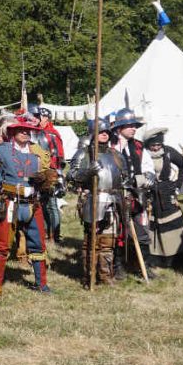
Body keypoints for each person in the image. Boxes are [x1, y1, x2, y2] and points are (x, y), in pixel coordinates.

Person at [0, 116, 57, 296]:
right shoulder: (0, 151)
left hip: (33, 204)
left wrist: (46, 180)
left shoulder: (38, 152)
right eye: (21, 130)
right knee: (2, 245)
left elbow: (49, 174)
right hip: (10, 203)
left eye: (28, 130)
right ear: (12, 132)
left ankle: (41, 284)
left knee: (38, 244)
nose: (26, 133)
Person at [70, 118, 125, 287]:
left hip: (113, 201)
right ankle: (89, 276)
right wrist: (87, 172)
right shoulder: (84, 153)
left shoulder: (116, 155)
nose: (104, 135)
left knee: (108, 242)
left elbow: (124, 178)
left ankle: (106, 275)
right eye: (100, 132)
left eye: (106, 132)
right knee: (91, 242)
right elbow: (71, 176)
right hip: (93, 199)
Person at [110, 107, 157, 279]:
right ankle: (118, 266)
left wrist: (149, 176)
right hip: (115, 195)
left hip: (137, 195)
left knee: (142, 232)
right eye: (130, 125)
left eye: (135, 126)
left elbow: (147, 167)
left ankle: (143, 266)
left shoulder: (138, 146)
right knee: (117, 231)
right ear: (120, 127)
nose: (134, 128)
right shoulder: (110, 145)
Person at [143, 127, 183, 266]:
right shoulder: (143, 155)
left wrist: (177, 184)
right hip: (150, 194)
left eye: (158, 144)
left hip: (167, 193)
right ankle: (157, 257)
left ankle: (177, 255)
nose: (156, 147)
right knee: (153, 224)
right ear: (148, 145)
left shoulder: (168, 152)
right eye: (153, 145)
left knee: (174, 222)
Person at [30, 106, 65, 243]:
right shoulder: (35, 133)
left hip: (50, 172)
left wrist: (57, 176)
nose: (38, 119)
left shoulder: (52, 134)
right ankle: (43, 233)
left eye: (40, 117)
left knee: (51, 204)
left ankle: (55, 235)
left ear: (46, 118)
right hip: (36, 172)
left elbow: (59, 157)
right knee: (40, 204)